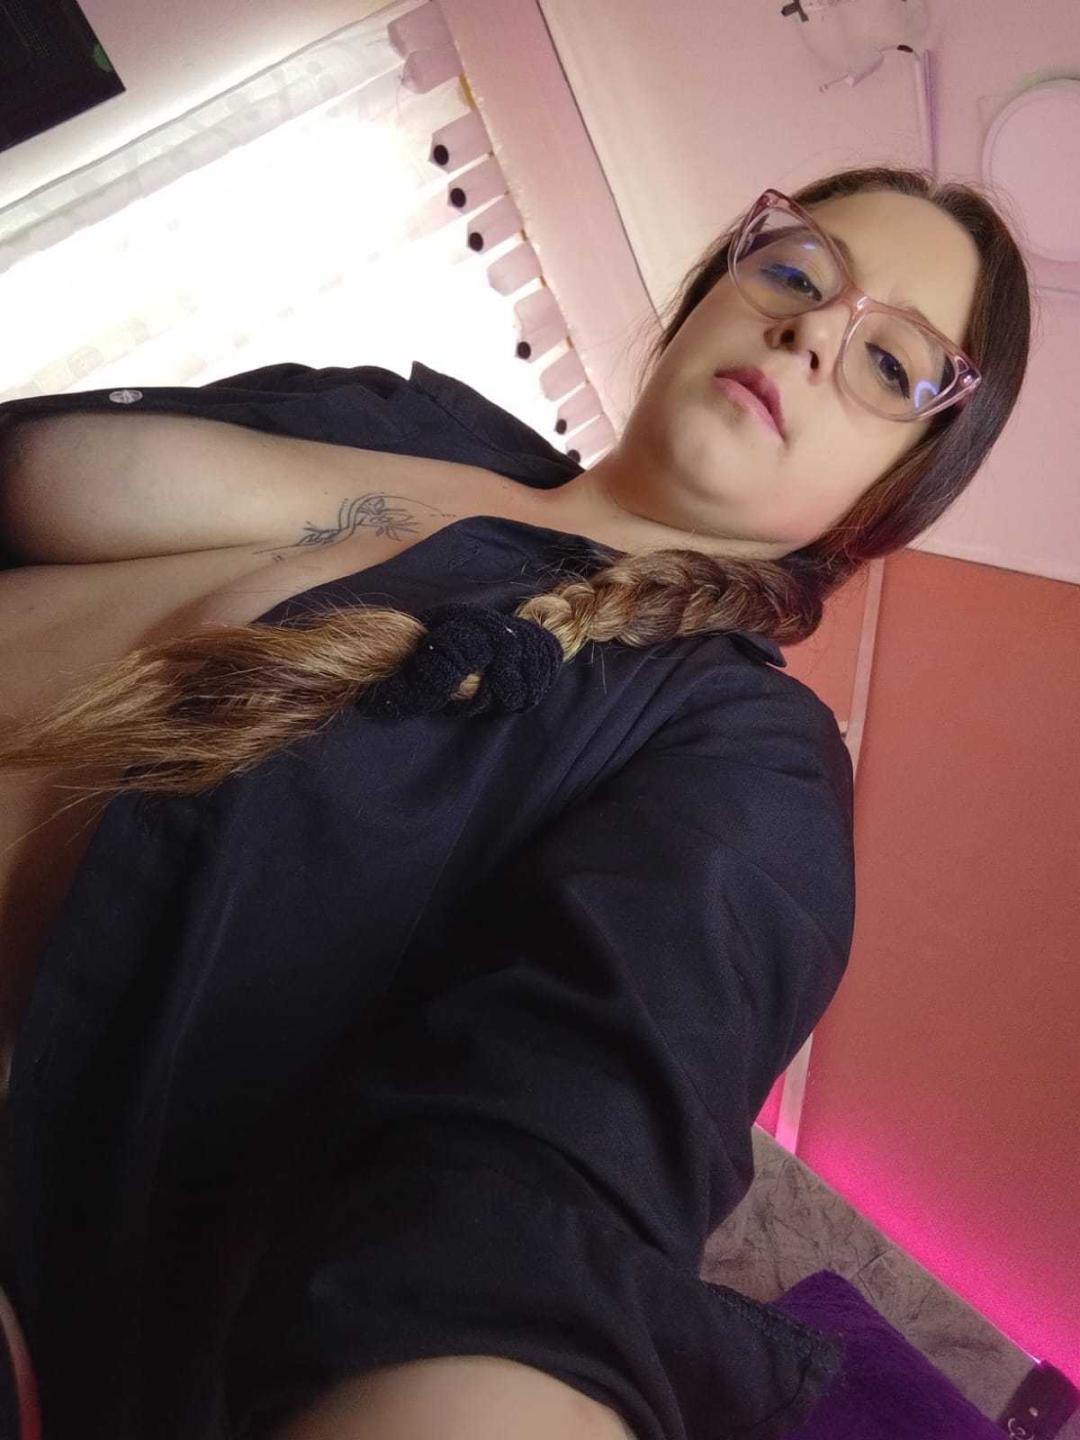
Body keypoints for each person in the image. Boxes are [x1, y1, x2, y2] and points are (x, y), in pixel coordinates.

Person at [0, 164, 1031, 1440]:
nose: (814, 328)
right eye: (796, 271)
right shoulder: (418, 417)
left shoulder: (741, 754)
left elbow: (545, 1189)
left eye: (888, 363)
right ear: (707, 297)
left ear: (892, 496)